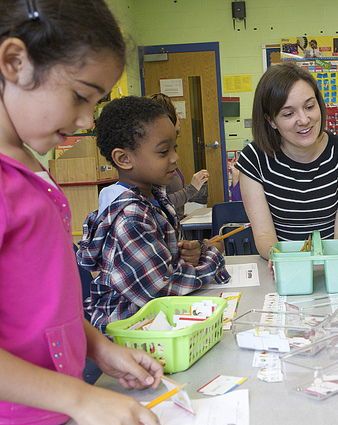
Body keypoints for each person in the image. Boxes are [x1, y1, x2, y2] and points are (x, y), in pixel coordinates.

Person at [0, 1, 164, 424]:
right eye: (79, 96)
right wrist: (81, 399)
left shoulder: (30, 161)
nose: (88, 118)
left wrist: (98, 347)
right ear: (15, 62)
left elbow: (47, 301)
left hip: (56, 409)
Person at [76, 96, 230, 334]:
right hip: (131, 332)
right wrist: (211, 256)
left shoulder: (156, 197)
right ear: (124, 159)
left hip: (157, 321)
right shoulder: (130, 217)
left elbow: (168, 261)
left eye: (174, 148)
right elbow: (164, 289)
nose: (175, 158)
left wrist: (194, 250)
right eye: (163, 151)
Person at [235, 62, 338, 260]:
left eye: (309, 106)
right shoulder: (253, 159)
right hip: (282, 268)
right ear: (271, 120)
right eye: (289, 113)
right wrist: (281, 260)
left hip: (332, 265)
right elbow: (264, 236)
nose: (304, 119)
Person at [148, 92, 209, 220]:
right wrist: (192, 189)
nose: (179, 116)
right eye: (175, 113)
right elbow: (160, 202)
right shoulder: (157, 158)